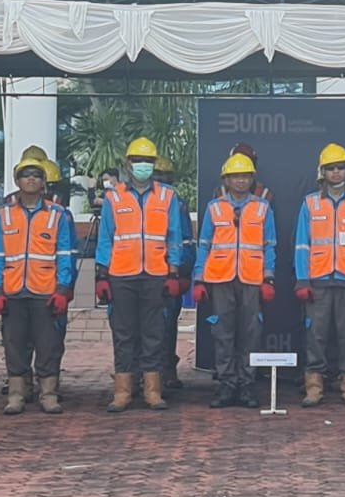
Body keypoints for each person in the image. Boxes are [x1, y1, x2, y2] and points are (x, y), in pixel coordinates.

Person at [94, 136, 185, 413]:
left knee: (154, 334)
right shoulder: (114, 197)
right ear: (128, 163)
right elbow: (105, 238)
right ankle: (123, 391)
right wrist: (101, 274)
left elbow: (174, 237)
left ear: (154, 164)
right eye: (138, 160)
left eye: (147, 161)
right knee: (123, 334)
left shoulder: (167, 196)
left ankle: (152, 391)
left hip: (155, 274)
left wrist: (173, 272)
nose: (143, 165)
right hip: (122, 274)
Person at [0, 157, 75, 414]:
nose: (31, 179)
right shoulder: (4, 215)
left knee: (48, 346)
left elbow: (65, 255)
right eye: (26, 175)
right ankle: (16, 394)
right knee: (14, 345)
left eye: (36, 175)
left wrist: (63, 289)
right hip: (13, 292)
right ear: (17, 181)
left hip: (45, 292)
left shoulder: (57, 215)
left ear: (43, 182)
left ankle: (48, 394)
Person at [192, 152, 277, 408]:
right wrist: (199, 278)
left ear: (252, 179)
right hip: (220, 278)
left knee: (251, 333)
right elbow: (204, 244)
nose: (241, 180)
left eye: (245, 176)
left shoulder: (262, 208)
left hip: (251, 279)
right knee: (223, 333)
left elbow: (270, 245)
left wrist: (268, 278)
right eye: (235, 176)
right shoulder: (214, 208)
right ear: (226, 180)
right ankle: (227, 385)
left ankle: (247, 384)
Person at [295, 143, 345, 408]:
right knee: (315, 335)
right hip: (318, 280)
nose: (336, 172)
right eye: (331, 168)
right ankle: (314, 386)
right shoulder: (310, 203)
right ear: (323, 172)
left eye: (341, 167)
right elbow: (302, 245)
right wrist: (302, 279)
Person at [154, 154, 193, 391]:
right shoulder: (132, 201)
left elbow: (185, 240)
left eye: (164, 178)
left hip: (170, 273)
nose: (161, 182)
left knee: (166, 326)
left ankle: (166, 371)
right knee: (140, 329)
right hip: (140, 273)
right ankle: (138, 375)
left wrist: (183, 272)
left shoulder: (177, 204)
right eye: (157, 177)